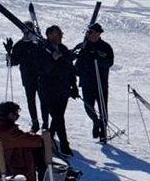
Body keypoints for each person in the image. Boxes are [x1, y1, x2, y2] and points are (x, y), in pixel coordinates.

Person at [0, 101, 70, 181]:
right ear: (9, 114)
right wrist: (47, 140)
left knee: (28, 146)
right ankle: (46, 178)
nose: (17, 117)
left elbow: (20, 138)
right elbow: (29, 140)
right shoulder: (5, 131)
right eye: (15, 114)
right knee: (37, 145)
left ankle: (46, 175)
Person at [37, 25, 78, 157]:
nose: (60, 36)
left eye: (60, 34)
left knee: (58, 117)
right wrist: (52, 60)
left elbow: (70, 69)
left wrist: (74, 86)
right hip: (48, 89)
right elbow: (41, 70)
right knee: (58, 117)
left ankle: (49, 138)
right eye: (57, 34)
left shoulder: (63, 49)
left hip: (63, 89)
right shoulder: (41, 49)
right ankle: (64, 145)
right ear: (49, 35)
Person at [74, 23, 114, 143]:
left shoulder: (105, 47)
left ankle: (103, 132)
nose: (89, 34)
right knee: (88, 106)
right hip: (86, 81)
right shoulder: (83, 46)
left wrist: (98, 57)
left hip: (100, 82)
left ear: (98, 33)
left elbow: (109, 63)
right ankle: (95, 122)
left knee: (103, 108)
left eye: (91, 32)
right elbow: (77, 62)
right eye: (88, 32)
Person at [6, 22, 42, 132]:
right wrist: (9, 53)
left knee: (44, 101)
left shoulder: (38, 43)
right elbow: (12, 62)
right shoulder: (19, 45)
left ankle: (46, 123)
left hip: (41, 77)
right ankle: (35, 122)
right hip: (27, 78)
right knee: (31, 101)